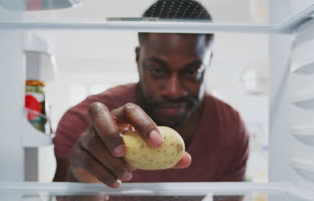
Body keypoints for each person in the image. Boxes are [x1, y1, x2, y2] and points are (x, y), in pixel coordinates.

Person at [53, 0, 249, 188]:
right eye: (158, 70)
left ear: (208, 64)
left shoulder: (230, 130)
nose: (173, 91)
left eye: (192, 72)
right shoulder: (82, 124)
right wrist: (81, 180)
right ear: (138, 59)